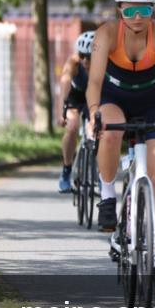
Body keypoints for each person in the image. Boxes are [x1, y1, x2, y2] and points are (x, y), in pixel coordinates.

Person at [84, 0, 155, 293]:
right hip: (114, 99)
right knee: (110, 130)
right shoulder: (105, 35)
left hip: (152, 101)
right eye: (131, 11)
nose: (138, 17)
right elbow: (95, 84)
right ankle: (107, 196)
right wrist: (92, 114)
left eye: (145, 10)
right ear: (119, 10)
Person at [57, 31, 95, 193]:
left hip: (93, 96)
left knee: (94, 131)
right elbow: (65, 82)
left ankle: (95, 173)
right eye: (82, 56)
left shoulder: (104, 63)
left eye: (89, 56)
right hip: (75, 95)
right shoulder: (73, 62)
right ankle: (66, 170)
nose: (85, 60)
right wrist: (61, 111)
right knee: (71, 128)